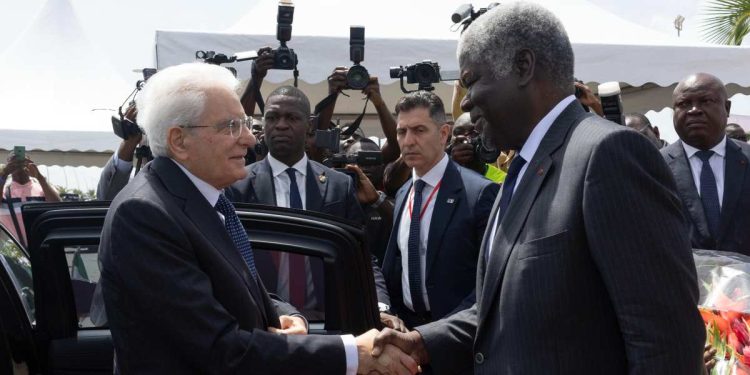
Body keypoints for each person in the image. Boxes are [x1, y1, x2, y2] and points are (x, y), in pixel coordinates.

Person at [373, 3, 705, 374]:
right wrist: (423, 341)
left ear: (523, 67)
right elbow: (496, 309)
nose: (465, 102)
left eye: (472, 81)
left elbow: (663, 339)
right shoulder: (521, 169)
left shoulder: (608, 155)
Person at [98, 62, 414, 374]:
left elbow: (237, 282)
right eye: (231, 126)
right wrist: (352, 353)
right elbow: (219, 350)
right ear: (179, 141)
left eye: (246, 123)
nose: (250, 139)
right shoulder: (145, 215)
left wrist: (287, 315)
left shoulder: (203, 200)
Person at [226, 85, 366, 319]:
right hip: (264, 320)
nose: (280, 125)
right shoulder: (236, 185)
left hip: (327, 318)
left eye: (291, 117)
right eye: (272, 117)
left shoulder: (339, 185)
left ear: (310, 124)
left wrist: (380, 306)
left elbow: (361, 256)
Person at [376, 91, 498, 330]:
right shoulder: (403, 193)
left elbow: (491, 281)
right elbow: (393, 267)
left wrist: (434, 336)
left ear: (444, 134)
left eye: (419, 130)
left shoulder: (480, 193)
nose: (408, 141)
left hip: (459, 340)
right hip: (406, 332)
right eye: (402, 132)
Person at [661, 73, 750, 256]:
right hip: (684, 281)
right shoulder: (654, 167)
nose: (694, 110)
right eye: (684, 104)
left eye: (706, 101)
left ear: (727, 107)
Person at [0, 152, 61, 245]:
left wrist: (39, 177)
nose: (19, 166)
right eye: (14, 163)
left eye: (23, 161)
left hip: (42, 248)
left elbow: (57, 206)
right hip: (14, 253)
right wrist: (3, 175)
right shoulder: (3, 190)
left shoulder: (43, 188)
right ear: (8, 166)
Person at [449, 113, 506, 183]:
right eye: (458, 132)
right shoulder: (439, 175)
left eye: (474, 133)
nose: (466, 139)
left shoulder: (504, 181)